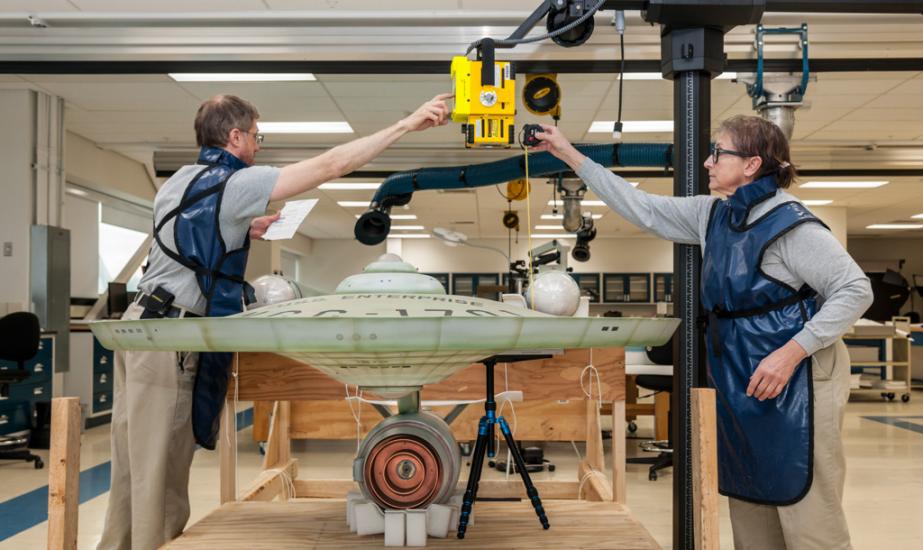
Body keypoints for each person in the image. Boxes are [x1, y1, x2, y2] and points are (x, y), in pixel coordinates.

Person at [98, 92, 452, 550]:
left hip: (141, 325)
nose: (258, 147)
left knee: (132, 466)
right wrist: (405, 125)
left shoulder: (180, 178)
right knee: (159, 473)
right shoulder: (236, 182)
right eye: (256, 137)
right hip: (170, 337)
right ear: (235, 136)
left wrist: (243, 230)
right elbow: (331, 165)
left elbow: (185, 236)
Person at [532, 115, 871, 550]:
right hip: (742, 375)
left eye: (719, 152)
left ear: (751, 164)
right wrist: (570, 154)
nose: (708, 162)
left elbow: (854, 289)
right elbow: (643, 207)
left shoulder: (792, 225)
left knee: (806, 505)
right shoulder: (712, 214)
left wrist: (791, 352)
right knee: (751, 498)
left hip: (801, 377)